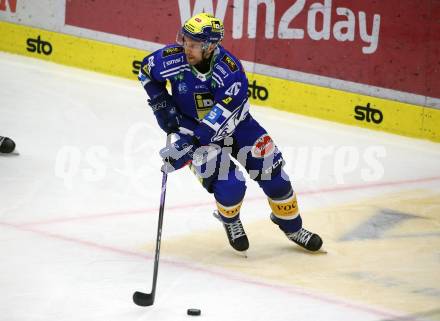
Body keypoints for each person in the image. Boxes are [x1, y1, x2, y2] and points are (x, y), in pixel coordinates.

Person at [138, 13, 322, 252]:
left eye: (193, 44)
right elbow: (146, 71)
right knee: (230, 186)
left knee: (275, 177)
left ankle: (293, 227)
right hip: (192, 129)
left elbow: (222, 116)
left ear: (210, 46)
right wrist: (161, 102)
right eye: (185, 40)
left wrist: (191, 146)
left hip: (237, 127)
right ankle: (231, 220)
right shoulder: (171, 59)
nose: (186, 48)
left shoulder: (230, 71)